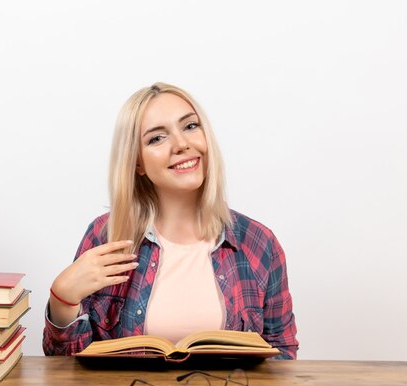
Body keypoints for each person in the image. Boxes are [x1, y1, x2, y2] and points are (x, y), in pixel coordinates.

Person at [43, 82, 298, 359]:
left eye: (190, 126)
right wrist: (62, 301)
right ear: (137, 163)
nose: (181, 144)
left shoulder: (259, 243)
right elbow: (66, 369)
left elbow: (282, 356)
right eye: (156, 138)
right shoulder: (106, 236)